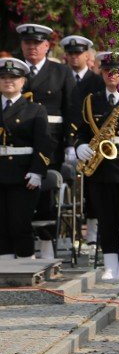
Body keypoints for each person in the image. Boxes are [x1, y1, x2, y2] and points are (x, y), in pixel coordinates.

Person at [18, 23, 79, 259]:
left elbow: (71, 109)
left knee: (44, 193)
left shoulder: (61, 72)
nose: (31, 47)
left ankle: (45, 240)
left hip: (50, 143)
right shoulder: (14, 69)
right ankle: (21, 241)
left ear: (47, 46)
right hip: (19, 141)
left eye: (36, 43)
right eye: (27, 43)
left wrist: (71, 142)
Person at [75, 52, 119, 280]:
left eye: (118, 71)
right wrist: (79, 145)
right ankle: (110, 263)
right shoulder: (92, 100)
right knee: (106, 217)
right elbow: (82, 131)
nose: (113, 75)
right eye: (108, 71)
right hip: (100, 168)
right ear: (101, 73)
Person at [0, 58, 51, 260]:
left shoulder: (35, 109)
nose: (8, 81)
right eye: (3, 77)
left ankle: (25, 271)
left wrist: (38, 171)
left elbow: (44, 143)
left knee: (19, 224)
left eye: (13, 77)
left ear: (23, 82)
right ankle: (4, 272)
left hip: (23, 176)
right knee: (1, 225)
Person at [61, 34, 103, 249]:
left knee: (92, 190)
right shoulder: (61, 76)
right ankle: (67, 233)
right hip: (65, 142)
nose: (74, 57)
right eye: (71, 54)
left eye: (78, 53)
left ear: (87, 55)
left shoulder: (97, 80)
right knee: (66, 189)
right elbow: (65, 112)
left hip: (91, 142)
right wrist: (70, 142)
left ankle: (93, 233)